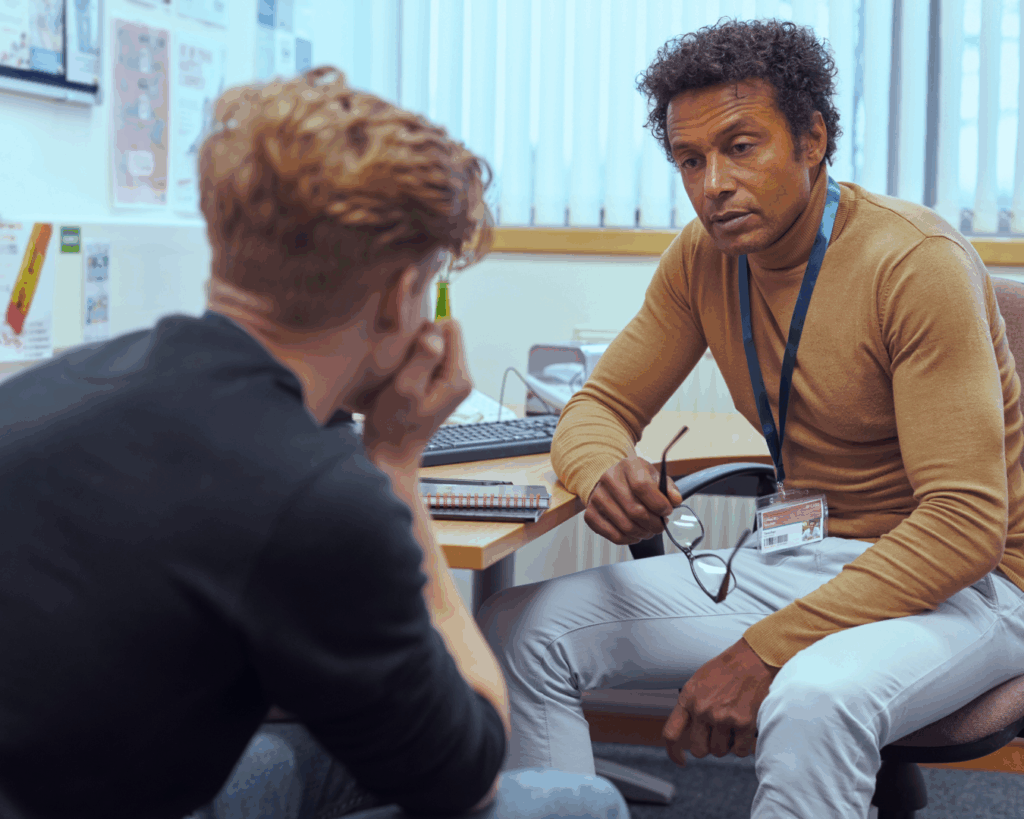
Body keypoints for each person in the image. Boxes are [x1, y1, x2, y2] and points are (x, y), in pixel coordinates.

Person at [0, 67, 628, 819]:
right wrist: (395, 464)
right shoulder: (319, 502)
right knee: (572, 800)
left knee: (334, 750)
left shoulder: (55, 386)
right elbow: (470, 766)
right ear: (402, 294)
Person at [475, 18, 1024, 819]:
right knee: (526, 630)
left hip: (972, 583)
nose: (712, 185)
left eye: (741, 147)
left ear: (813, 140)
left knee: (811, 694)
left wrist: (761, 652)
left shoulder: (914, 262)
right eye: (689, 161)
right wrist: (603, 471)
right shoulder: (703, 257)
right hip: (810, 554)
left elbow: (966, 523)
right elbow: (598, 406)